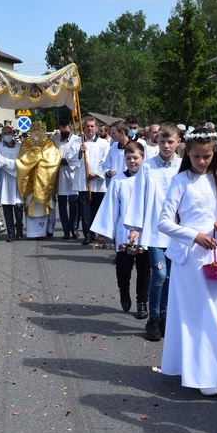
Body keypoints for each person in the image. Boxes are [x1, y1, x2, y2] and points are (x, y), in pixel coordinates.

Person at [157, 128, 217, 396]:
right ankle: (201, 371)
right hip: (191, 255)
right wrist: (194, 235)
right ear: (187, 154)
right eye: (196, 156)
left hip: (216, 252)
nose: (201, 161)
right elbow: (165, 222)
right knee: (198, 311)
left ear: (214, 154)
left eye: (206, 156)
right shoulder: (180, 181)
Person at [125, 123, 181, 334]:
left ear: (178, 142)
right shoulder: (148, 166)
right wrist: (135, 226)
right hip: (154, 229)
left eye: (170, 142)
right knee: (159, 274)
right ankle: (153, 317)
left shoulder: (182, 166)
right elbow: (139, 195)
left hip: (176, 230)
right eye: (162, 141)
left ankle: (165, 316)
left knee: (170, 276)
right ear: (156, 142)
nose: (166, 146)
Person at [91, 143, 150, 318]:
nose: (132, 161)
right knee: (124, 268)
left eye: (136, 158)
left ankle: (142, 302)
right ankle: (124, 291)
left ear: (143, 158)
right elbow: (110, 207)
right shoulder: (118, 180)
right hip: (124, 232)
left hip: (145, 232)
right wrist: (104, 231)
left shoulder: (149, 179)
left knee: (144, 268)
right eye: (128, 158)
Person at [16, 123, 61, 240]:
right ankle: (33, 233)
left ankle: (47, 230)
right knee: (32, 206)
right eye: (34, 130)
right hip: (31, 179)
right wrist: (35, 155)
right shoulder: (26, 142)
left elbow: (54, 158)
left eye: (39, 130)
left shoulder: (49, 142)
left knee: (46, 204)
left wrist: (38, 158)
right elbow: (22, 158)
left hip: (44, 179)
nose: (37, 132)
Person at [78, 118, 109, 244]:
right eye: (87, 126)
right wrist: (79, 152)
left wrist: (95, 173)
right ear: (84, 128)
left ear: (96, 128)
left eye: (92, 126)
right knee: (85, 210)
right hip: (83, 181)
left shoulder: (103, 143)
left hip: (98, 182)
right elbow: (70, 159)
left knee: (97, 209)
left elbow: (106, 160)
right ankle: (87, 234)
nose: (90, 129)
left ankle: (97, 233)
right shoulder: (78, 141)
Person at [54, 120, 83, 240]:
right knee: (62, 205)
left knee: (73, 203)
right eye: (62, 129)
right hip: (60, 174)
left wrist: (65, 161)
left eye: (66, 129)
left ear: (70, 128)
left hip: (73, 173)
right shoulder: (55, 140)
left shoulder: (77, 140)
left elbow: (79, 156)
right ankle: (66, 230)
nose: (64, 131)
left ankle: (74, 227)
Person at [0, 126, 24, 242]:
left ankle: (19, 229)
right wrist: (13, 164)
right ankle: (10, 233)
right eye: (5, 133)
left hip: (18, 178)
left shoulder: (20, 146)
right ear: (2, 135)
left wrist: (9, 163)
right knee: (7, 208)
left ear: (13, 134)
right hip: (5, 179)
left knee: (18, 206)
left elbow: (23, 161)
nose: (7, 135)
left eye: (9, 132)